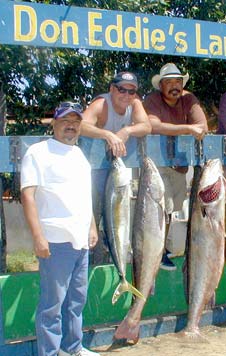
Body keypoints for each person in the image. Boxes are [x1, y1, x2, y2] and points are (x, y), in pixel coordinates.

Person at [21, 102, 99, 356]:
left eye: (76, 122)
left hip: (80, 242)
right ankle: (50, 353)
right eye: (66, 121)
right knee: (51, 306)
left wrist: (92, 226)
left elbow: (83, 195)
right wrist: (38, 236)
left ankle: (72, 348)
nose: (71, 126)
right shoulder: (38, 152)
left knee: (76, 302)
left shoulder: (78, 155)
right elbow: (28, 196)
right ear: (54, 123)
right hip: (55, 241)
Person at [80, 71, 152, 263]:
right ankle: (90, 259)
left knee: (116, 220)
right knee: (92, 216)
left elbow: (146, 126)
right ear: (112, 89)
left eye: (132, 91)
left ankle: (114, 260)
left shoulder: (135, 104)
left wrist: (127, 130)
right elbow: (81, 126)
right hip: (92, 173)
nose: (126, 95)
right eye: (121, 89)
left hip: (114, 172)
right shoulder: (101, 104)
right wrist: (108, 135)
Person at [144, 62, 208, 270]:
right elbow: (153, 126)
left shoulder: (189, 99)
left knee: (171, 210)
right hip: (158, 164)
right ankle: (157, 252)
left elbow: (203, 126)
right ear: (160, 85)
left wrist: (184, 129)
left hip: (180, 165)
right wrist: (188, 128)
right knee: (161, 209)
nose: (174, 86)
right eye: (169, 82)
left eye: (177, 82)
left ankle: (161, 247)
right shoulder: (152, 100)